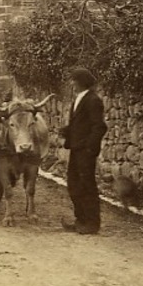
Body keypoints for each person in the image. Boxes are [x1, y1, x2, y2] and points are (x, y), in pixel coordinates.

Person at [60, 66, 107, 235]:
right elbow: (80, 125)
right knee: (74, 184)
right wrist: (67, 131)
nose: (71, 84)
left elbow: (99, 126)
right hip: (76, 148)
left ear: (81, 82)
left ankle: (92, 223)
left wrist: (90, 149)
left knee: (87, 186)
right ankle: (80, 220)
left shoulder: (93, 100)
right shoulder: (79, 99)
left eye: (73, 80)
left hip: (85, 151)